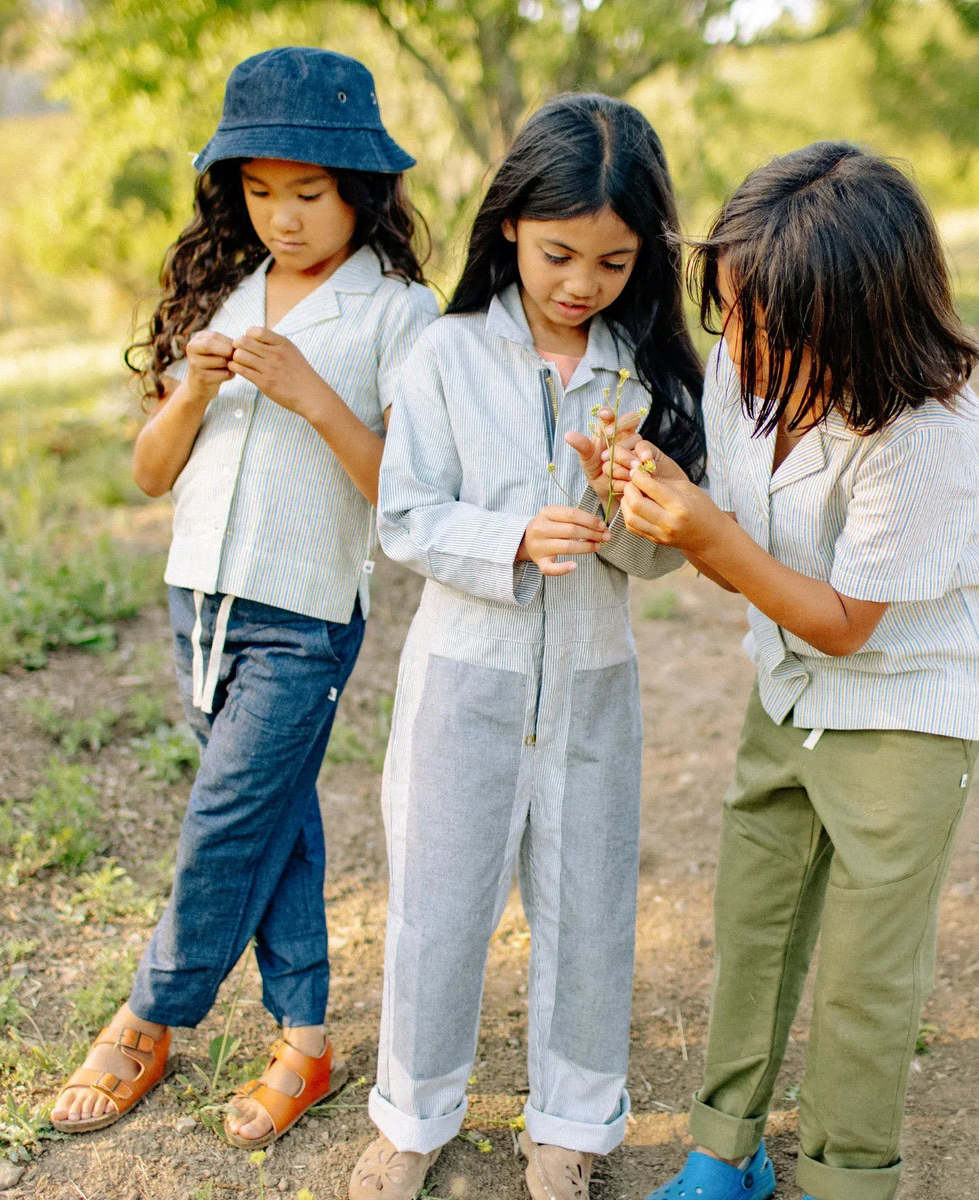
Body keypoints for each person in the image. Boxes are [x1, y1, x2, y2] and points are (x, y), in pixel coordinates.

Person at [49, 46, 439, 1149]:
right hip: (197, 602)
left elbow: (404, 496)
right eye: (260, 192)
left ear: (360, 189)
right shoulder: (223, 290)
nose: (284, 219)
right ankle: (306, 1043)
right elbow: (150, 470)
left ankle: (147, 1016)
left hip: (304, 611)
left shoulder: (399, 315)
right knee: (275, 819)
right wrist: (193, 392)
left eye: (309, 194)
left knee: (226, 819)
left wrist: (314, 397)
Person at [620, 142, 979, 1200]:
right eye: (733, 311)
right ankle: (724, 1150)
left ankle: (847, 1179)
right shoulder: (739, 374)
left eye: (770, 324)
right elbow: (756, 574)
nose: (740, 343)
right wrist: (671, 502)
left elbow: (848, 623)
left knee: (863, 977)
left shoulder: (930, 432)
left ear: (860, 322)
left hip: (905, 708)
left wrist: (709, 535)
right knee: (753, 924)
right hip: (789, 686)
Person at [349, 94, 706, 1200]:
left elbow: (662, 557)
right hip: (466, 680)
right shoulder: (445, 356)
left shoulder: (645, 378)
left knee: (592, 905)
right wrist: (508, 534)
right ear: (508, 224)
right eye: (558, 253)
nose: (579, 282)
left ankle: (573, 1120)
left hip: (595, 682)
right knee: (439, 904)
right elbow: (403, 514)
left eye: (610, 259)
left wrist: (632, 504)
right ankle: (412, 1116)